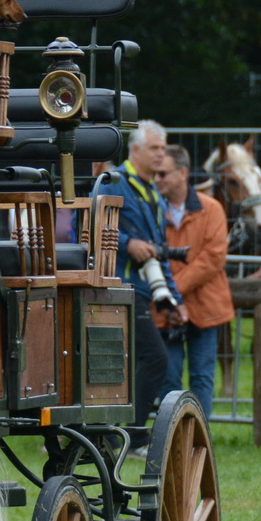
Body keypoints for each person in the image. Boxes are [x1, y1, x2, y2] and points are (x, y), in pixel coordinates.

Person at [91, 119, 182, 428]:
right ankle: (132, 432)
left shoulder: (153, 193)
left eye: (163, 148)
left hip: (139, 292)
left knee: (133, 363)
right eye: (154, 148)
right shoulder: (113, 181)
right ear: (135, 149)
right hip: (116, 286)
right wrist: (129, 244)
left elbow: (160, 249)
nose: (160, 154)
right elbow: (89, 226)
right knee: (154, 360)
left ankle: (121, 432)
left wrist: (174, 298)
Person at [156, 146, 233, 409]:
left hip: (202, 306)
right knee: (168, 379)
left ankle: (199, 444)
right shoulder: (151, 210)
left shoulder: (212, 209)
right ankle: (171, 445)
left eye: (163, 174)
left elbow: (212, 258)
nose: (157, 179)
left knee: (202, 378)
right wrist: (172, 298)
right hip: (166, 310)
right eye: (155, 174)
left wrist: (172, 291)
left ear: (182, 173)